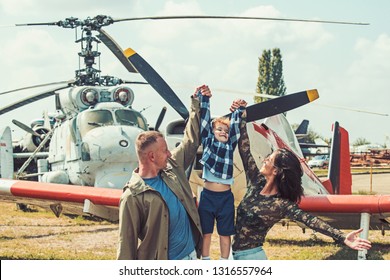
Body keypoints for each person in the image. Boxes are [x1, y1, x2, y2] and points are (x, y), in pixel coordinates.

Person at [230, 99, 372, 260]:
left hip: (252, 258)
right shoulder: (256, 182)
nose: (264, 160)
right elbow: (244, 148)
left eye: (268, 159)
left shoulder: (281, 204)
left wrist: (343, 237)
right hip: (231, 254)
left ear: (276, 171)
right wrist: (241, 115)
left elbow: (313, 222)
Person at [116, 85, 211, 260]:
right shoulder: (132, 196)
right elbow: (126, 244)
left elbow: (190, 141)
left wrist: (197, 104)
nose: (169, 153)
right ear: (151, 156)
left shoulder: (172, 167)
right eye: (165, 150)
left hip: (192, 256)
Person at [195, 90, 246, 260]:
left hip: (225, 198)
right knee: (206, 232)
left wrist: (238, 110)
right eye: (219, 129)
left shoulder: (230, 145)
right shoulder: (208, 142)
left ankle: (224, 262)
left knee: (225, 234)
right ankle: (206, 259)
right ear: (212, 131)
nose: (223, 132)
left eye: (225, 130)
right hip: (208, 196)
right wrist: (205, 99)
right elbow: (204, 121)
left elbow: (235, 130)